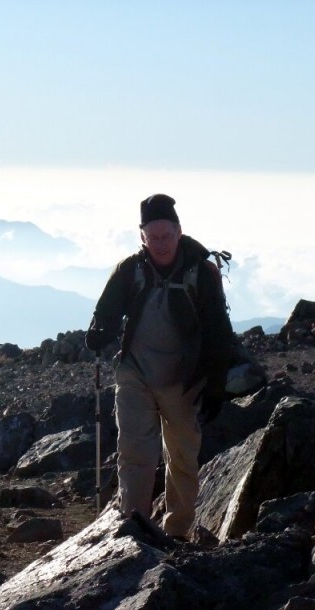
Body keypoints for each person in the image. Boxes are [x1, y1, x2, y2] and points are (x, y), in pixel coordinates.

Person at [84, 193, 233, 539]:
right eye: (154, 238)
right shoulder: (129, 271)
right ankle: (136, 529)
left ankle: (177, 531)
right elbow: (104, 313)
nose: (161, 244)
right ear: (142, 237)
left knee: (182, 456)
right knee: (135, 453)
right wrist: (99, 332)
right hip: (135, 373)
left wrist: (215, 382)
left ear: (179, 232)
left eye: (167, 236)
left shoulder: (201, 272)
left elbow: (217, 331)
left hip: (185, 379)